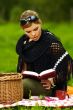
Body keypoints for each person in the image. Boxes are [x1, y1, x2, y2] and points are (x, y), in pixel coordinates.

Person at [16, 10, 73, 99]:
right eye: (28, 31)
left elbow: (68, 64)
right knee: (9, 83)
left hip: (50, 88)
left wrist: (53, 81)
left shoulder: (51, 42)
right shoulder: (24, 43)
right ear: (23, 30)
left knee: (20, 85)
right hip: (29, 82)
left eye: (36, 29)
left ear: (40, 24)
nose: (33, 34)